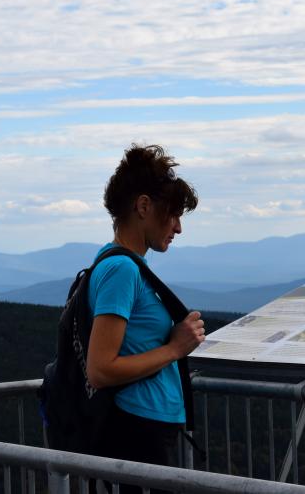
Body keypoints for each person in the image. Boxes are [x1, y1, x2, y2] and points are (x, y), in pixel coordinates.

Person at [86, 144, 203, 475]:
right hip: (136, 429)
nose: (178, 227)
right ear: (143, 206)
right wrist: (175, 348)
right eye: (174, 213)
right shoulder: (122, 270)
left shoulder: (124, 265)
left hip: (144, 426)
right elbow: (101, 369)